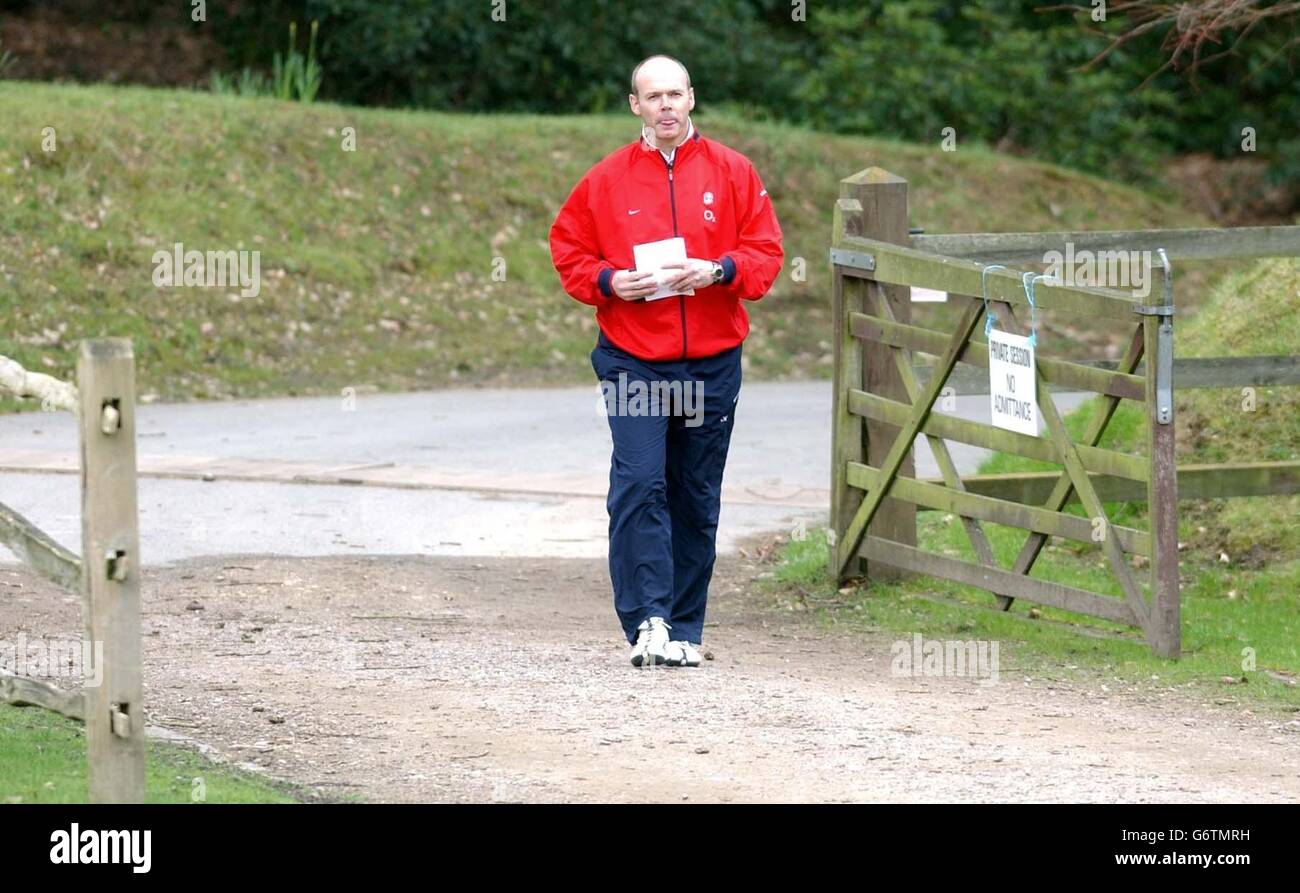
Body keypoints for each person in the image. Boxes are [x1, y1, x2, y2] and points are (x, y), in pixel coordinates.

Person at [548, 54, 783, 668]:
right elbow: (567, 249)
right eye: (653, 97)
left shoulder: (734, 172)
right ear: (636, 107)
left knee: (695, 493)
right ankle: (646, 619)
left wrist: (717, 269)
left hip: (711, 363)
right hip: (635, 362)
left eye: (675, 94)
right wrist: (608, 281)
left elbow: (765, 256)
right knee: (640, 481)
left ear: (692, 98)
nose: (666, 107)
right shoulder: (605, 180)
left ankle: (684, 627)